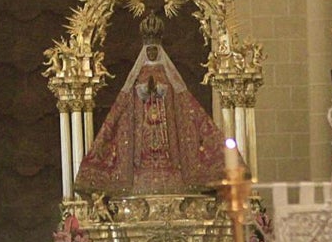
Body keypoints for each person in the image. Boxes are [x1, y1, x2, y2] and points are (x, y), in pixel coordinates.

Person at [73, 11, 226, 195]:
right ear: (145, 51)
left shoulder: (167, 72)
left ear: (159, 51)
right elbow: (128, 100)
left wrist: (161, 91)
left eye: (155, 50)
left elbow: (179, 97)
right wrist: (144, 91)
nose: (152, 53)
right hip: (143, 128)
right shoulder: (139, 73)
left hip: (165, 127)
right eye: (149, 50)